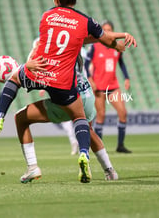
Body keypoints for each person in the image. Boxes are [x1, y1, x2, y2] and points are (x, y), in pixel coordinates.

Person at [0, 0, 137, 183]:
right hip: (71, 87)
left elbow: (51, 44)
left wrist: (28, 64)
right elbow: (102, 37)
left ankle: (0, 118)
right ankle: (97, 163)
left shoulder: (47, 16)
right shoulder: (83, 22)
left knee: (17, 81)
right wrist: (120, 40)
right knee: (82, 123)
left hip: (41, 71)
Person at [16, 53, 118, 183]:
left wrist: (20, 73)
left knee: (20, 118)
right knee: (88, 130)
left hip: (66, 99)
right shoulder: (72, 45)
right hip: (85, 92)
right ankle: (109, 170)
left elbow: (31, 80)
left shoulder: (47, 54)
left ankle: (32, 167)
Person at [85, 20, 132, 153]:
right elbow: (86, 63)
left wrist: (126, 78)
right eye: (104, 30)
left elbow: (121, 63)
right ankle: (99, 148)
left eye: (109, 30)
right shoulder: (95, 46)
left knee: (123, 113)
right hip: (98, 87)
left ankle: (120, 145)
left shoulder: (116, 46)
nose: (107, 32)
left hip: (113, 86)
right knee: (101, 116)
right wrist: (90, 79)